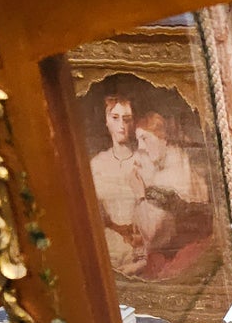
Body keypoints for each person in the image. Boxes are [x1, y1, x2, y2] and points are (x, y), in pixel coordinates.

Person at [132, 110, 210, 267]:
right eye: (138, 140)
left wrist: (140, 195)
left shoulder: (171, 174)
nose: (140, 147)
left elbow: (154, 235)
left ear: (162, 138)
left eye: (145, 138)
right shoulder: (174, 160)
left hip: (183, 254)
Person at [89, 94, 146, 274]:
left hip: (144, 242)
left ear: (133, 123)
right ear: (106, 121)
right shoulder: (97, 163)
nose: (121, 125)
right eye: (115, 118)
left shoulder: (143, 160)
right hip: (110, 242)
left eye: (127, 119)